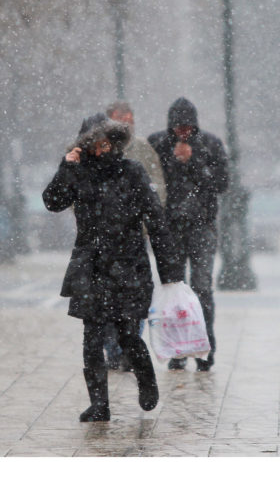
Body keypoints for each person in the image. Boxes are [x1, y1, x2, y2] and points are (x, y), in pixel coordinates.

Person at [42, 113, 183, 422]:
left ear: (114, 142)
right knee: (91, 337)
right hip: (90, 265)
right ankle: (99, 404)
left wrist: (170, 271)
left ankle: (146, 380)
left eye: (106, 142)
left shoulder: (131, 171)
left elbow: (155, 221)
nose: (101, 149)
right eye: (94, 144)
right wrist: (66, 166)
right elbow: (52, 201)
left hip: (128, 265)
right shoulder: (77, 172)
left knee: (127, 335)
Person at [148, 97, 228, 372]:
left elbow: (220, 183)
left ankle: (205, 349)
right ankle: (177, 350)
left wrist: (193, 162)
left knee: (202, 288)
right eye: (178, 128)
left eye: (187, 128)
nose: (183, 133)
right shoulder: (158, 144)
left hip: (201, 225)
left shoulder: (210, 144)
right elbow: (151, 182)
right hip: (170, 228)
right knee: (174, 290)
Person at [101, 100, 166, 372]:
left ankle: (130, 348)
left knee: (135, 293)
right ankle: (113, 349)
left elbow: (157, 185)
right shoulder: (98, 146)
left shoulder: (142, 149)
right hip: (103, 236)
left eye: (130, 117)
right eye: (120, 117)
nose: (127, 122)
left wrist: (148, 222)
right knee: (106, 296)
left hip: (133, 234)